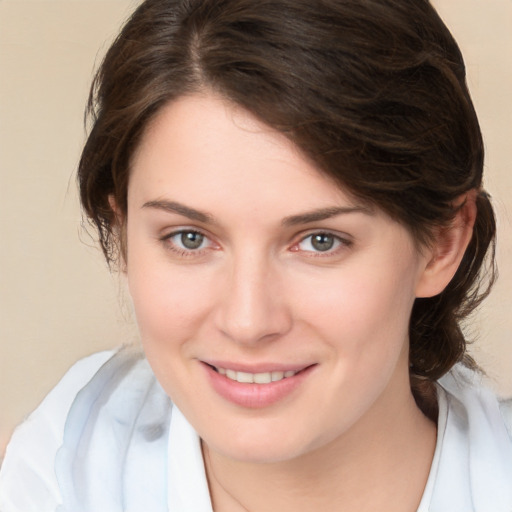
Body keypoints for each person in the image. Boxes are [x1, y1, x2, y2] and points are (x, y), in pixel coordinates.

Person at [1, 0, 511, 510]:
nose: (247, 322)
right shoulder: (61, 466)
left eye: (320, 241)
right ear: (123, 233)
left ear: (441, 244)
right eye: (190, 238)